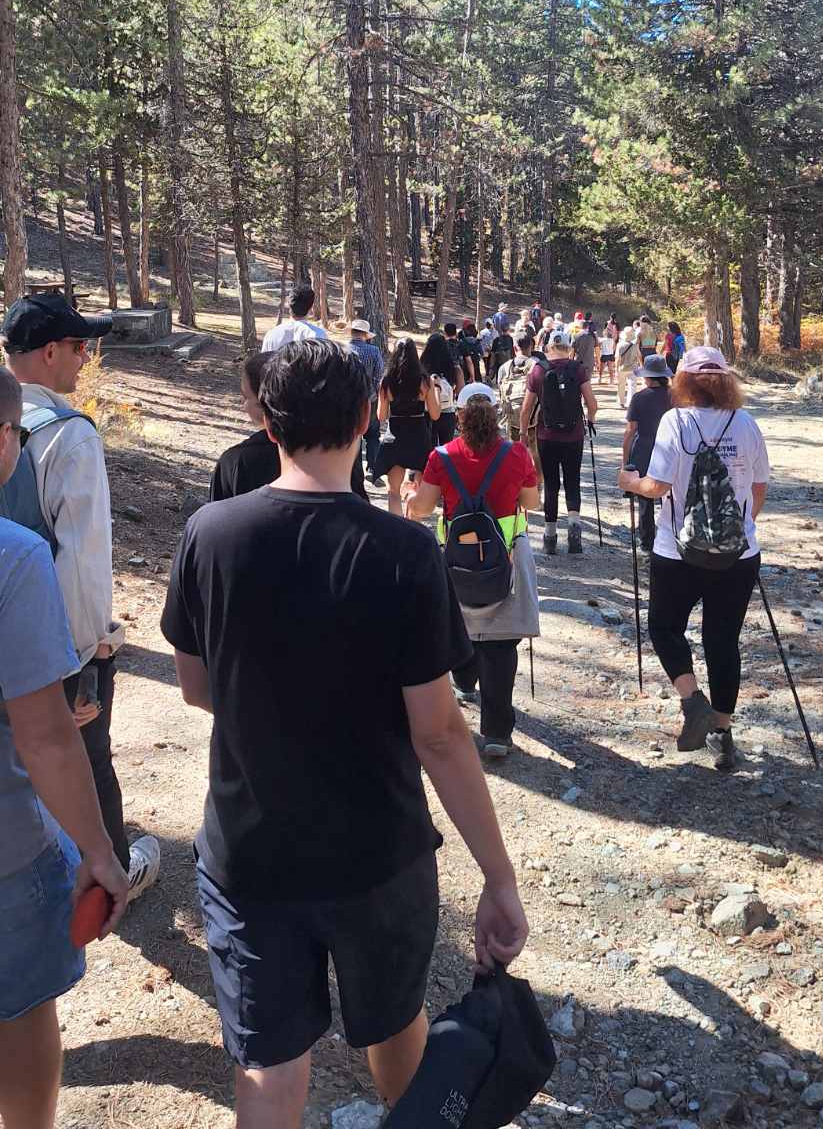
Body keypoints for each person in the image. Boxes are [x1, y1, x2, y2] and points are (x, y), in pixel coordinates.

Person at [161, 340, 528, 1127]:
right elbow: (440, 736)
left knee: (268, 1069)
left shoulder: (209, 533)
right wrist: (498, 876)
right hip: (378, 856)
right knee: (396, 1035)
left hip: (250, 853)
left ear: (268, 424)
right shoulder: (402, 552)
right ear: (367, 418)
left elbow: (195, 688)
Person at [0, 366, 129, 1128]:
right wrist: (100, 852)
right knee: (20, 1014)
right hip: (7, 851)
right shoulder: (14, 558)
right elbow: (45, 734)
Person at [0, 292, 159, 900]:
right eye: (78, 345)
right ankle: (110, 876)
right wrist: (88, 658)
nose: (85, 357)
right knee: (87, 760)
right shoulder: (69, 436)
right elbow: (82, 561)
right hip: (51, 645)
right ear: (49, 352)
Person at [617, 347, 769, 772]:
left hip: (677, 551)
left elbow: (657, 486)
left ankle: (693, 701)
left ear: (683, 381)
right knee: (723, 641)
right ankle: (722, 735)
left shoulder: (676, 421)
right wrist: (735, 529)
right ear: (726, 382)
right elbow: (758, 489)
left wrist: (629, 482)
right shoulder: (746, 423)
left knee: (664, 627)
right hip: (738, 555)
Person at [405, 385, 540, 759]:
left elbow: (421, 509)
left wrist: (410, 495)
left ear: (460, 416)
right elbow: (532, 502)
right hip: (505, 559)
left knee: (461, 624)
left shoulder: (441, 456)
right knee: (500, 644)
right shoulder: (516, 454)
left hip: (455, 561)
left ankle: (465, 681)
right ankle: (496, 733)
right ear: (496, 413)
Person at [519, 329, 597, 556]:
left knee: (551, 484)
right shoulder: (577, 369)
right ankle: (574, 529)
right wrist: (590, 420)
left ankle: (550, 536)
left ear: (548, 347)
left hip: (546, 435)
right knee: (572, 480)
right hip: (574, 435)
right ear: (569, 347)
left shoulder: (538, 370)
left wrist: (523, 433)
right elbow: (592, 403)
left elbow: (526, 409)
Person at [373, 339, 442, 515]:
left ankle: (396, 528)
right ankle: (412, 522)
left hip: (395, 437)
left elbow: (381, 416)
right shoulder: (425, 381)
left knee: (393, 492)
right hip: (419, 437)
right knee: (419, 489)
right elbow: (435, 415)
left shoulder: (387, 381)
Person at [621, 355, 673, 552]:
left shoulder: (639, 398)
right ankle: (671, 538)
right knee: (672, 496)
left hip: (644, 449)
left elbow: (630, 431)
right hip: (670, 449)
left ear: (648, 377)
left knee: (645, 497)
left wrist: (625, 460)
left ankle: (646, 544)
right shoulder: (675, 397)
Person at [210, 352, 278, 499]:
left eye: (246, 397)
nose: (243, 404)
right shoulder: (322, 450)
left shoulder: (236, 461)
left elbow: (217, 510)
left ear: (264, 405)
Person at [497, 329, 542, 491]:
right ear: (531, 346)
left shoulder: (504, 368)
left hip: (512, 420)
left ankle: (515, 488)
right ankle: (537, 487)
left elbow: (501, 393)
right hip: (534, 419)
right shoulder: (537, 366)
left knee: (513, 454)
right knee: (536, 454)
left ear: (515, 347)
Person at [347, 319, 385, 482]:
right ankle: (372, 467)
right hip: (370, 398)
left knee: (352, 434)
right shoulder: (374, 351)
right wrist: (373, 391)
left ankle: (354, 469)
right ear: (365, 335)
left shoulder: (343, 350)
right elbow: (379, 374)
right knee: (373, 434)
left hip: (348, 400)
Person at [421, 332, 463, 446]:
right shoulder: (454, 367)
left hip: (427, 411)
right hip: (448, 412)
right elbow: (461, 390)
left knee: (429, 448)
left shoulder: (422, 368)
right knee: (446, 448)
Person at [261, 284, 327, 352]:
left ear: (289, 304)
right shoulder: (319, 336)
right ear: (311, 307)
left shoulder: (271, 334)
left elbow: (264, 358)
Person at [615, 322, 641, 409]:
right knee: (632, 386)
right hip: (633, 368)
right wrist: (641, 365)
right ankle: (630, 403)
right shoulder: (635, 345)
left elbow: (617, 358)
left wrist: (616, 369)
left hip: (622, 368)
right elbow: (639, 355)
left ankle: (621, 402)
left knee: (621, 385)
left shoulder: (619, 345)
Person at [571, 315, 597, 380]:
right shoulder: (593, 336)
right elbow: (597, 350)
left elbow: (572, 351)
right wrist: (598, 362)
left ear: (580, 327)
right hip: (590, 361)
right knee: (588, 380)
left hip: (579, 361)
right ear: (587, 326)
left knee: (578, 380)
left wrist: (570, 362)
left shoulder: (576, 336)